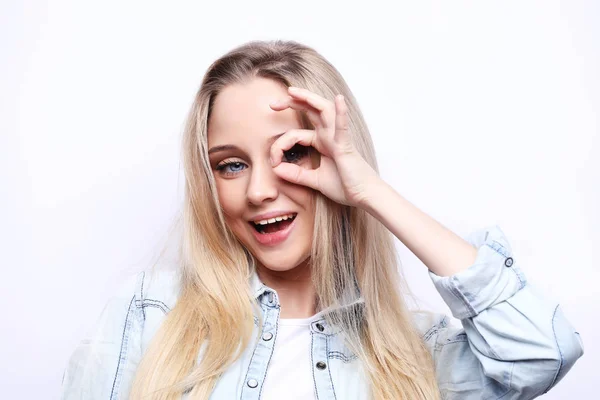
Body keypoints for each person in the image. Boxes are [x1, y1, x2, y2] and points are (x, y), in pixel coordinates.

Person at [60, 41, 584, 400]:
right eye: (231, 165)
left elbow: (541, 353)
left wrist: (369, 192)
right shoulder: (149, 316)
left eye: (291, 154)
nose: (260, 190)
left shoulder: (414, 354)